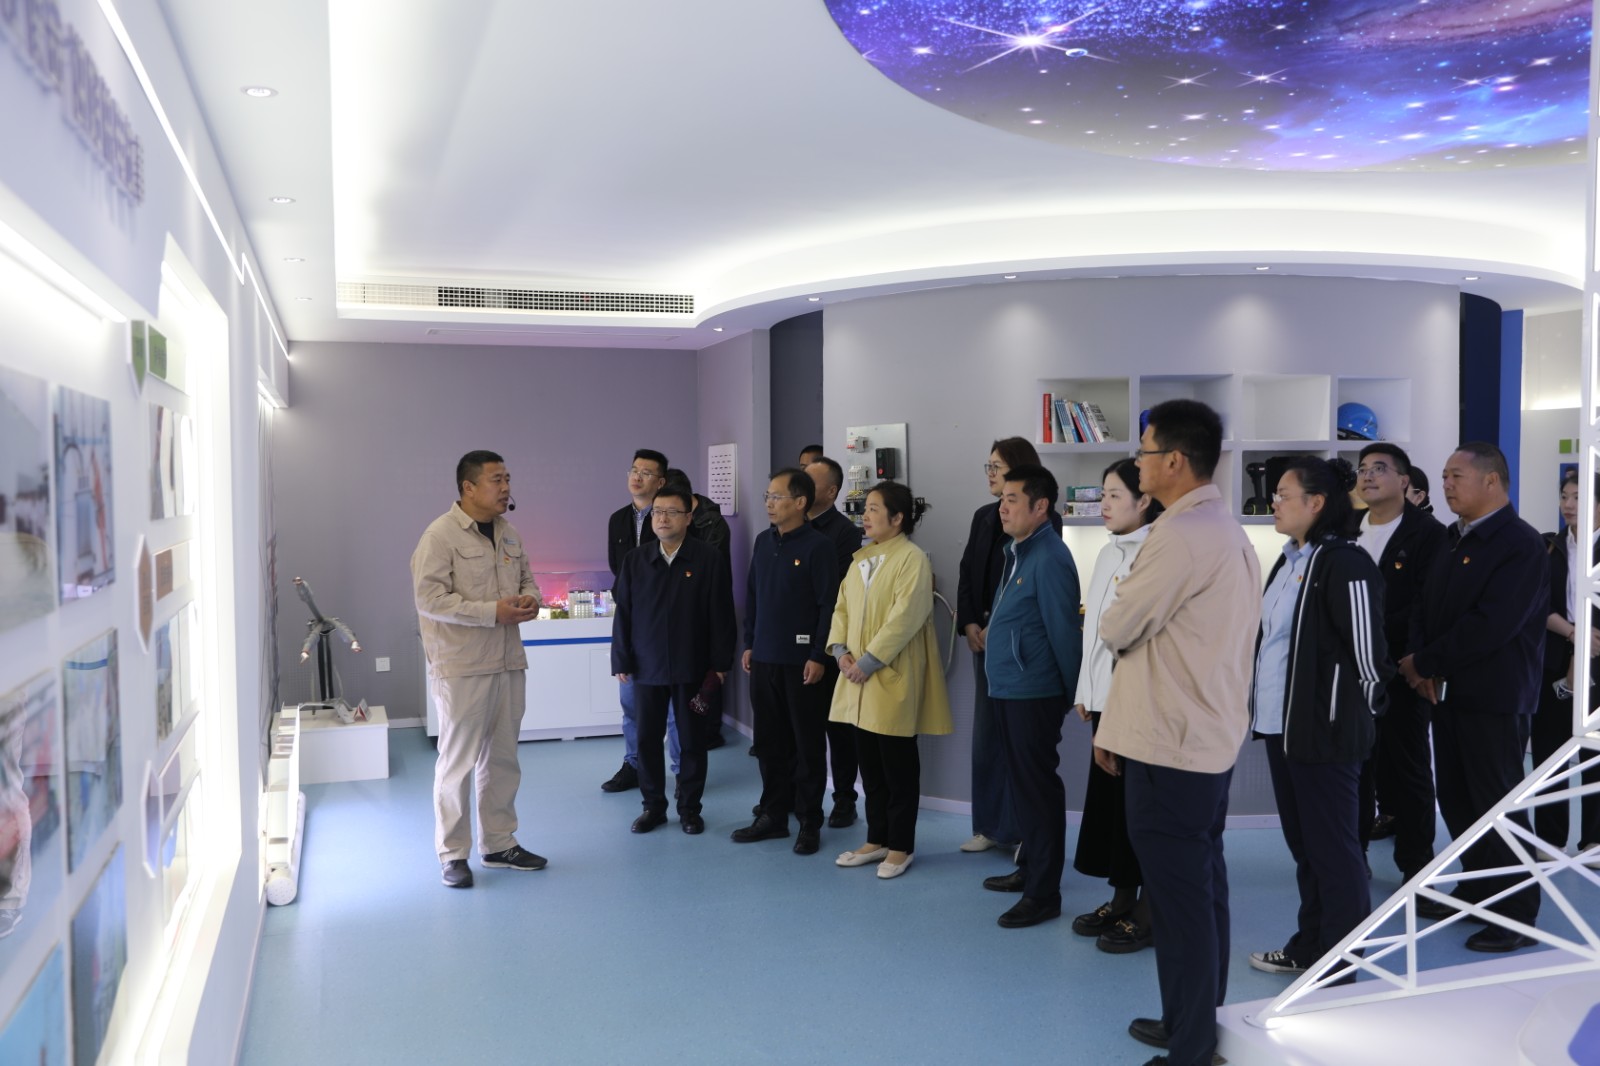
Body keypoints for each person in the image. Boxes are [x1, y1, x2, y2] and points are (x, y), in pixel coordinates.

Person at [1094, 400, 1261, 1066]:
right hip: (1199, 736)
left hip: (1171, 743)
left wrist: (1117, 608)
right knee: (1199, 889)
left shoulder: (1180, 535)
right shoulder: (1223, 529)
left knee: (1181, 899)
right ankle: (1190, 1022)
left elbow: (1117, 625)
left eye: (1144, 451)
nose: (1137, 462)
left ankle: (1191, 1047)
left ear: (1174, 460)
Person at [1246, 458, 1393, 979]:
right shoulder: (1289, 560)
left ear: (1317, 503)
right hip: (1283, 729)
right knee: (1307, 849)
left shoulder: (1345, 562)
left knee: (1334, 850)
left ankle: (1342, 962)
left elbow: (1370, 656)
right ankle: (1311, 946)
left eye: (1284, 494)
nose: (1274, 502)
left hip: (1325, 733)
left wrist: (1351, 716)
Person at [1402, 442, 1546, 951]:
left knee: (1497, 803)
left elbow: (1492, 625)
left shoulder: (1521, 544)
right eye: (1443, 476)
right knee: (1458, 799)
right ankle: (1479, 889)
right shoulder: (1451, 537)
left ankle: (1517, 914)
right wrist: (1419, 658)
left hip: (1496, 696)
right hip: (1448, 690)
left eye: (1455, 476)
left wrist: (1425, 662)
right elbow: (1424, 604)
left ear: (1492, 480)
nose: (1445, 485)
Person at [412, 450, 547, 888]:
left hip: (508, 662)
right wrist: (492, 612)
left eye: (507, 479)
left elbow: (527, 580)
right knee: (458, 764)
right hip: (463, 667)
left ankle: (499, 843)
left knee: (503, 759)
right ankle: (453, 854)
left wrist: (530, 599)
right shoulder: (440, 536)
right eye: (496, 480)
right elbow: (429, 599)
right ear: (468, 487)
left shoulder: (509, 533)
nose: (506, 487)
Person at [828, 481, 953, 880]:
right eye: (865, 508)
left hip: (889, 676)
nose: (864, 515)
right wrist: (840, 651)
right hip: (857, 678)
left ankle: (901, 846)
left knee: (898, 769)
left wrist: (867, 661)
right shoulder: (861, 559)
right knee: (870, 768)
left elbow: (905, 619)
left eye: (873, 509)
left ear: (897, 518)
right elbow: (841, 608)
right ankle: (876, 838)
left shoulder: (911, 559)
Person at [976, 464, 1081, 928]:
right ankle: (1030, 868)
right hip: (1010, 688)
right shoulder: (1019, 550)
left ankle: (1043, 893)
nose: (1003, 507)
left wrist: (1071, 694)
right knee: (1022, 788)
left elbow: (1064, 633)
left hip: (1034, 693)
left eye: (1013, 499)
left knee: (1037, 792)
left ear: (1041, 507)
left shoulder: (1050, 556)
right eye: (1003, 498)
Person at [1070, 459, 1162, 954]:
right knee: (1113, 808)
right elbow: (1094, 633)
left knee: (1141, 809)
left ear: (1144, 500)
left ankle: (1148, 909)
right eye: (1102, 494)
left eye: (1113, 495)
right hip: (1105, 700)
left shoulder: (1155, 552)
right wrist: (1086, 690)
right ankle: (1122, 896)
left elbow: (1139, 640)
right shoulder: (1108, 552)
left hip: (1136, 702)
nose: (1103, 504)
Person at [954, 437, 1060, 854]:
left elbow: (1032, 589)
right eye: (989, 466)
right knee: (986, 739)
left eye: (997, 466)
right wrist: (969, 623)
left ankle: (1021, 832)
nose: (991, 473)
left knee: (1020, 744)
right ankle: (989, 826)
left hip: (1018, 649)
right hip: (982, 641)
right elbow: (967, 573)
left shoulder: (1044, 519)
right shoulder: (984, 517)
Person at [610, 484, 735, 835]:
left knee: (692, 742)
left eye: (672, 512)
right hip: (646, 666)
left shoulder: (707, 558)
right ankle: (653, 807)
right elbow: (624, 614)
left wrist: (720, 665)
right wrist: (621, 659)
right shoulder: (636, 560)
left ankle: (690, 809)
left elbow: (721, 614)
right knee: (647, 740)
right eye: (657, 512)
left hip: (692, 666)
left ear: (688, 517)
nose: (663, 518)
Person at [732, 469, 839, 854]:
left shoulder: (819, 547)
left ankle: (809, 820)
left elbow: (828, 606)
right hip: (764, 658)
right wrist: (749, 642)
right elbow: (754, 596)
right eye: (767, 496)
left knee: (807, 745)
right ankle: (773, 815)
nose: (769, 503)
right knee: (768, 743)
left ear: (800, 502)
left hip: (803, 664)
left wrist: (819, 655)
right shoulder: (764, 542)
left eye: (776, 497)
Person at [1354, 443, 1446, 881]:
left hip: (1401, 669)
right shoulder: (1345, 529)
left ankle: (1416, 866)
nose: (1368, 476)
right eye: (1362, 469)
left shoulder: (1428, 533)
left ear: (1404, 480)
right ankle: (1351, 861)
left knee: (1407, 768)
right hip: (1349, 672)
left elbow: (1428, 604)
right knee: (1353, 769)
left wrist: (1416, 661)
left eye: (1379, 469)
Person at [1531, 470, 1600, 855]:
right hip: (1556, 656)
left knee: (1596, 751)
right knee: (1549, 751)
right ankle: (1548, 839)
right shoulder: (1549, 547)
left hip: (1598, 658)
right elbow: (1536, 603)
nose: (1569, 505)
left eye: (1579, 497)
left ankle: (1594, 839)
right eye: (1565, 496)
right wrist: (1575, 634)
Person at [602, 449, 672, 793]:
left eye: (646, 472)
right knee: (630, 701)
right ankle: (634, 765)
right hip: (631, 619)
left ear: (660, 482)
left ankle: (681, 771)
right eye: (634, 470)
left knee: (673, 710)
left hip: (667, 621)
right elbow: (617, 567)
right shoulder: (618, 519)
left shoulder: (670, 518)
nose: (637, 477)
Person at [805, 455, 863, 827]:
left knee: (838, 728)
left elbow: (837, 594)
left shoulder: (844, 532)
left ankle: (844, 799)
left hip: (830, 643)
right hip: (794, 644)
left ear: (831, 491)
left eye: (811, 482)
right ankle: (798, 797)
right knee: (800, 730)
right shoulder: (789, 526)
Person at [664, 467, 732, 750]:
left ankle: (709, 733)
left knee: (708, 676)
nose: (664, 517)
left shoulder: (713, 524)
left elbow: (708, 572)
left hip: (705, 612)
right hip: (678, 616)